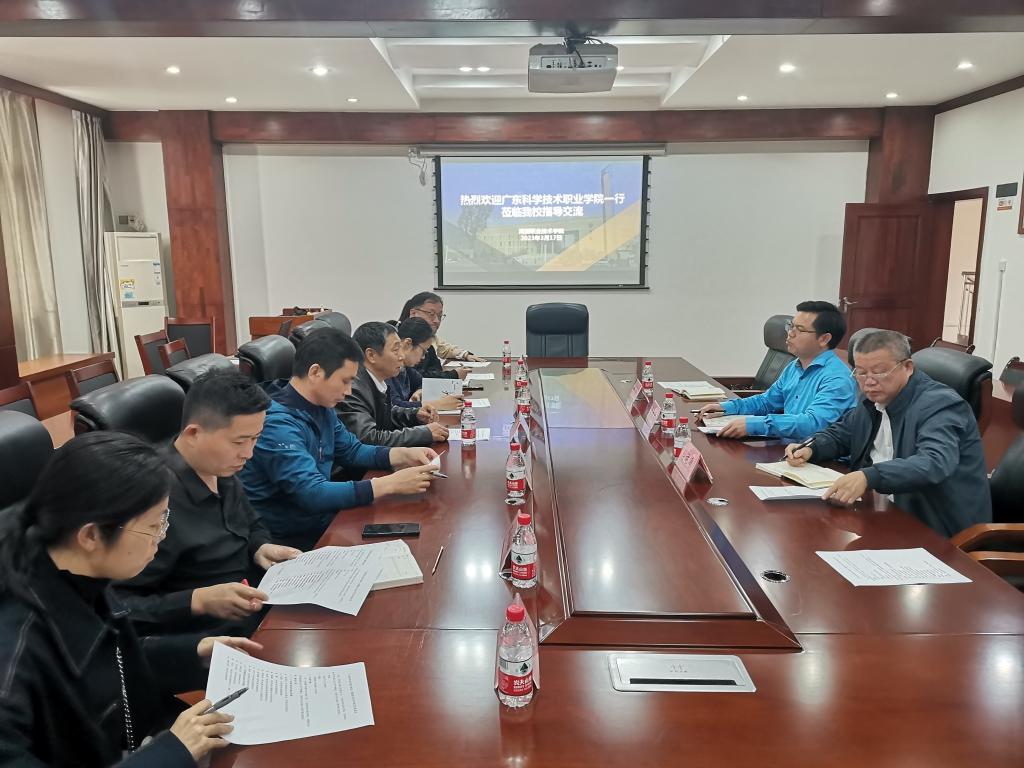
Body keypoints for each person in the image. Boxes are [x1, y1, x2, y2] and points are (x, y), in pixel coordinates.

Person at [0, 431, 260, 766]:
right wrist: (170, 752)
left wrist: (192, 652)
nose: (161, 538)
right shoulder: (14, 649)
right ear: (91, 535)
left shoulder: (70, 571)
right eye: (153, 526)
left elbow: (107, 660)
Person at [116, 370, 302, 638]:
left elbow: (251, 522)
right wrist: (196, 601)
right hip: (205, 639)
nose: (249, 453)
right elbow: (117, 607)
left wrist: (259, 546)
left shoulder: (220, 467)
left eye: (255, 438)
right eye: (240, 441)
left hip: (257, 606)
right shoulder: (152, 502)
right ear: (194, 433)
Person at [239, 327, 438, 550]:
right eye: (345, 381)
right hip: (292, 541)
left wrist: (402, 454)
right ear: (315, 373)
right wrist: (389, 484)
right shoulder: (277, 424)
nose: (349, 391)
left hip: (324, 521)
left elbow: (352, 450)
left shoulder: (320, 405)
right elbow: (312, 493)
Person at [785, 329, 992, 537]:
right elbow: (844, 432)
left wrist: (869, 477)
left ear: (907, 367)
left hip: (935, 529)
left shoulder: (940, 404)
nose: (869, 381)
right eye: (861, 372)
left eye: (879, 371)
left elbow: (934, 462)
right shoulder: (872, 398)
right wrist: (812, 447)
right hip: (879, 512)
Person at [699, 301, 858, 441]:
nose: (790, 333)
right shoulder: (795, 366)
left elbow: (813, 424)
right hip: (789, 447)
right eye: (791, 326)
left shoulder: (837, 378)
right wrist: (727, 407)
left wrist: (753, 425)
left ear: (824, 339)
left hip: (819, 458)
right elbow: (766, 401)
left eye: (799, 329)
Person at [336, 322, 449, 447]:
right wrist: (423, 433)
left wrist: (415, 415)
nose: (402, 356)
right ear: (371, 355)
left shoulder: (375, 380)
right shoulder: (352, 390)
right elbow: (369, 438)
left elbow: (386, 414)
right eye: (396, 350)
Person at [397, 292, 481, 380]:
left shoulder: (429, 340)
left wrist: (464, 354)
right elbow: (417, 378)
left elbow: (439, 361)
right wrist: (453, 375)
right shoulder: (398, 339)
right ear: (413, 313)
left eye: (440, 316)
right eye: (431, 314)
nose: (437, 321)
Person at [387, 317, 463, 413]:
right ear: (408, 344)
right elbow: (395, 407)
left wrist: (420, 390)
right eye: (423, 351)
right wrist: (436, 404)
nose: (423, 357)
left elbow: (422, 381)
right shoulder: (388, 369)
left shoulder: (405, 368)